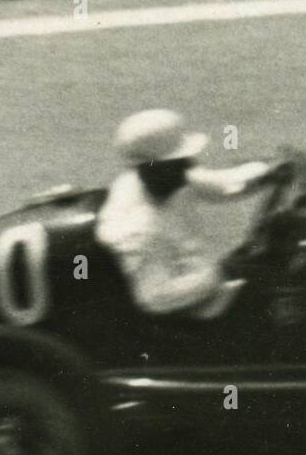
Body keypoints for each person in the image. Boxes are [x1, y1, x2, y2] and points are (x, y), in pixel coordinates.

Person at [95, 109, 272, 316]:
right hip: (182, 316)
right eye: (180, 160)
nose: (190, 164)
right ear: (153, 168)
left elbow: (221, 184)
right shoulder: (135, 227)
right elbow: (154, 297)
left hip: (200, 282)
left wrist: (268, 171)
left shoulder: (167, 179)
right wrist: (214, 275)